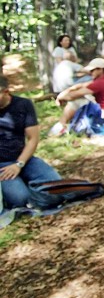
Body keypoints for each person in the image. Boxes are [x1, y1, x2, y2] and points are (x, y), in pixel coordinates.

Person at [0, 75, 63, 214]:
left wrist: (19, 164)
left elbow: (33, 138)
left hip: (23, 159)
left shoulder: (23, 105)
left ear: (6, 91)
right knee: (20, 199)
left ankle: (31, 188)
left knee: (57, 186)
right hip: (2, 165)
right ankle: (25, 193)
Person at [50, 58, 104, 136]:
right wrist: (64, 93)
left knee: (77, 101)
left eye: (92, 70)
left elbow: (75, 94)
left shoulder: (100, 83)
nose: (90, 73)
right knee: (83, 98)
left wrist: (61, 97)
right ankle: (64, 125)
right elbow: (80, 85)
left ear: (100, 70)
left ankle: (61, 125)